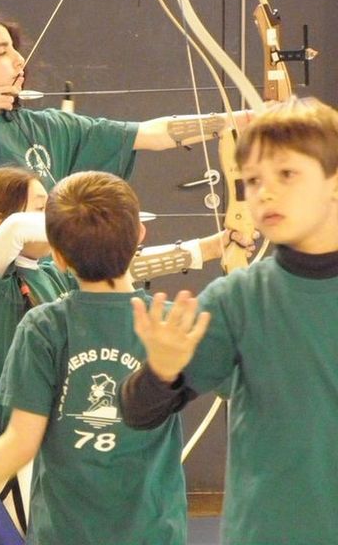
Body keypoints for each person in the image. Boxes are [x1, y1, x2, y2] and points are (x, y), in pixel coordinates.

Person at [0, 12, 249, 544]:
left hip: (38, 349)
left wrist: (236, 120)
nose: (19, 61)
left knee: (17, 508)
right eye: (0, 52)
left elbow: (148, 139)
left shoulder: (46, 131)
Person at [0, 171, 192, 545]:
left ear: (59, 255)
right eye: (39, 210)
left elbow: (22, 439)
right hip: (97, 509)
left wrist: (207, 248)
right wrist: (95, 223)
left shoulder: (51, 290)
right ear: (139, 234)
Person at [120, 96, 338, 545]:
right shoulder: (237, 300)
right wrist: (161, 371)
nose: (265, 193)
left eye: (286, 174)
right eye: (252, 180)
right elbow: (138, 412)